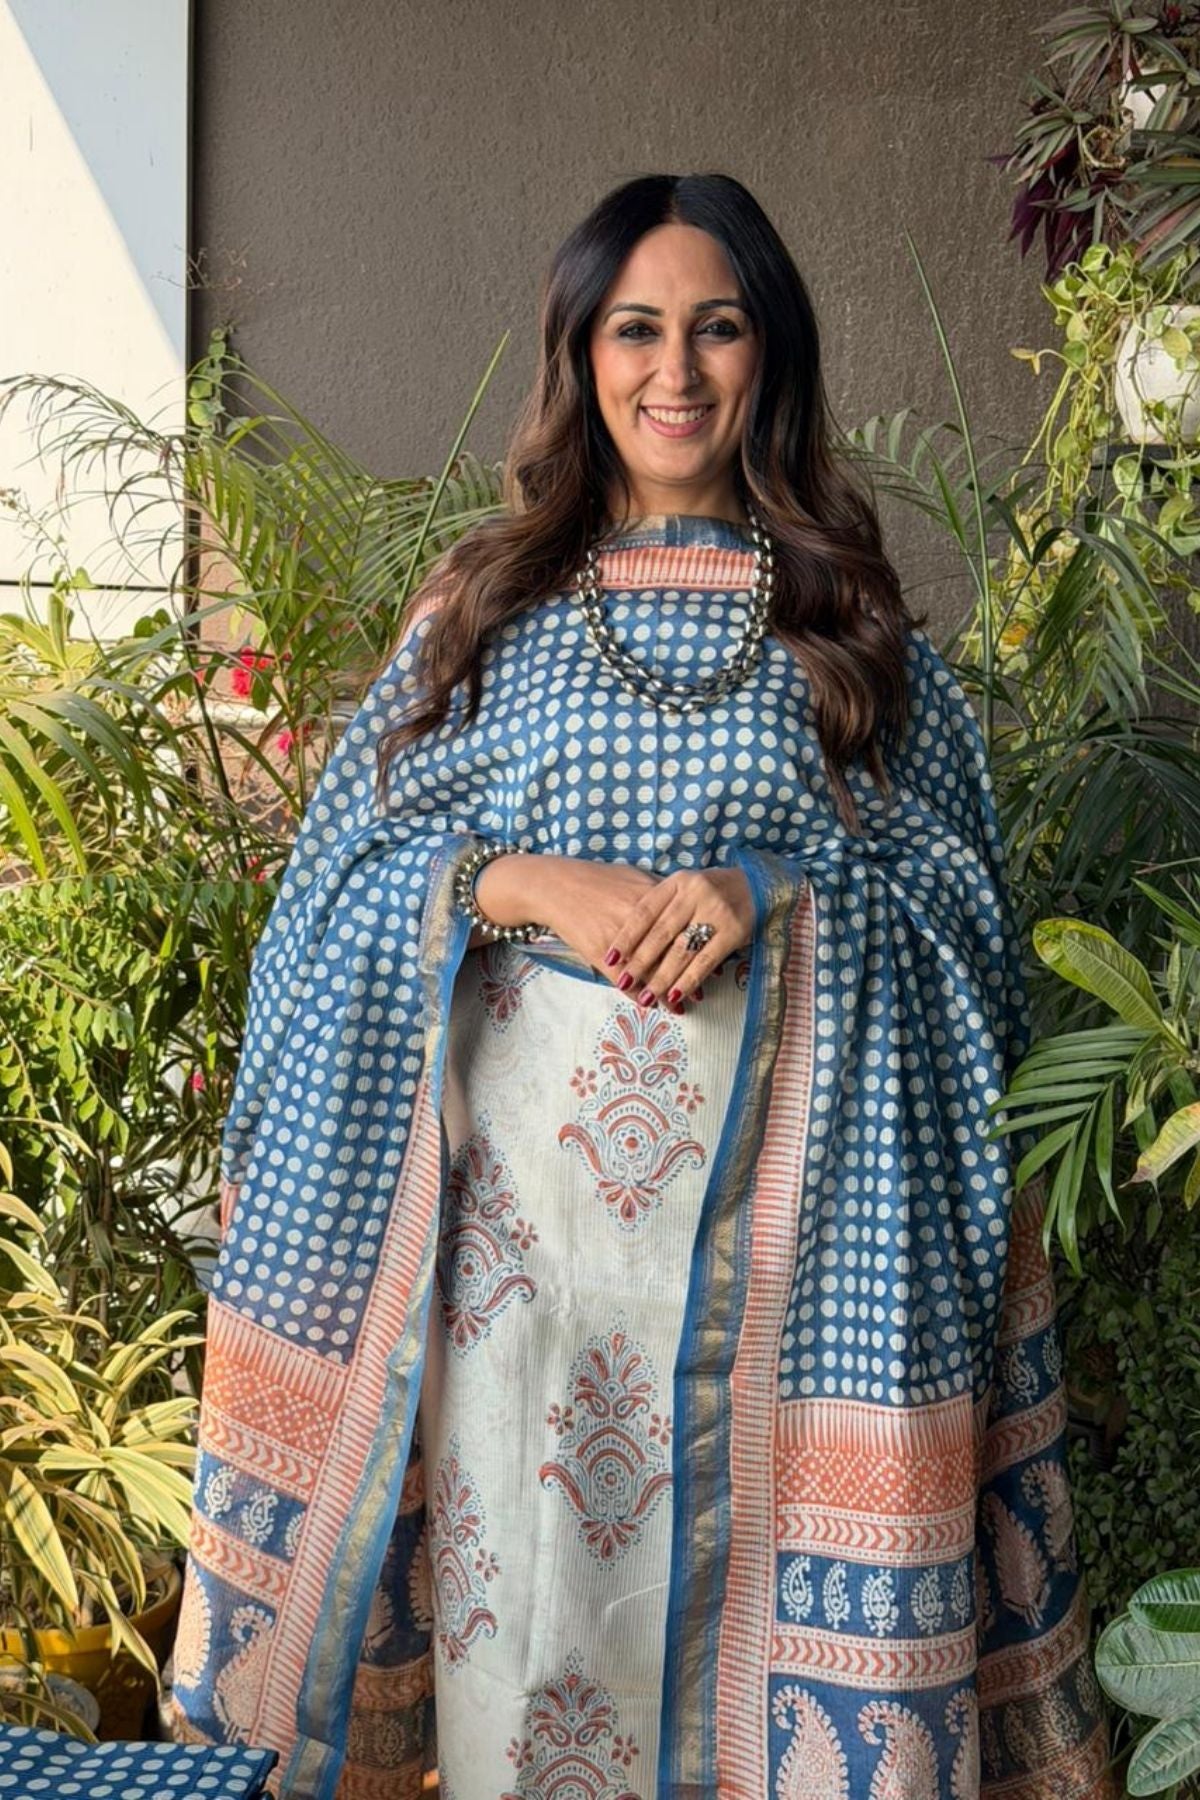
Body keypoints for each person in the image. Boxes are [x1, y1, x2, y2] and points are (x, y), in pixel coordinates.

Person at [168, 172, 1115, 1800]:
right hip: (529, 1299)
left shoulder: (855, 631)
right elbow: (329, 896)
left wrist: (779, 893)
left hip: (808, 1296)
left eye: (717, 328)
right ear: (581, 353)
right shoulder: (479, 615)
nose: (675, 371)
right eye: (636, 329)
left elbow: (967, 923)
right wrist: (512, 882)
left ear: (771, 355)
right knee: (539, 1680)